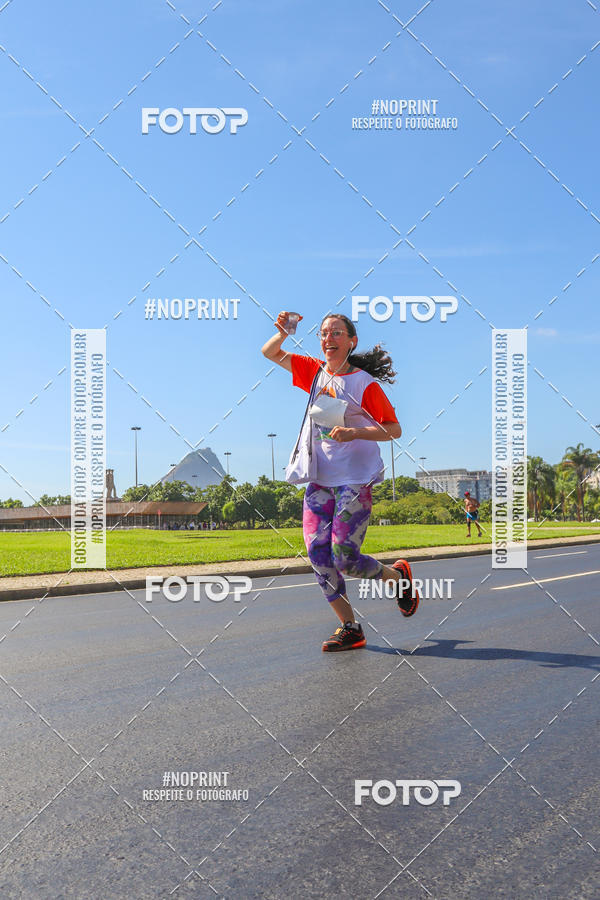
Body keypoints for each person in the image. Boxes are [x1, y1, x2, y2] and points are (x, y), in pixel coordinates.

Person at [262, 310, 419, 652]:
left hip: (355, 479)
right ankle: (350, 626)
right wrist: (285, 332)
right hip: (320, 479)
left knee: (344, 555)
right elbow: (271, 353)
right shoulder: (313, 372)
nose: (328, 339)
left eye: (336, 334)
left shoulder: (365, 384)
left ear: (352, 341)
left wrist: (354, 432)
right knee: (318, 555)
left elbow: (393, 430)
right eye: (323, 334)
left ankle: (398, 579)